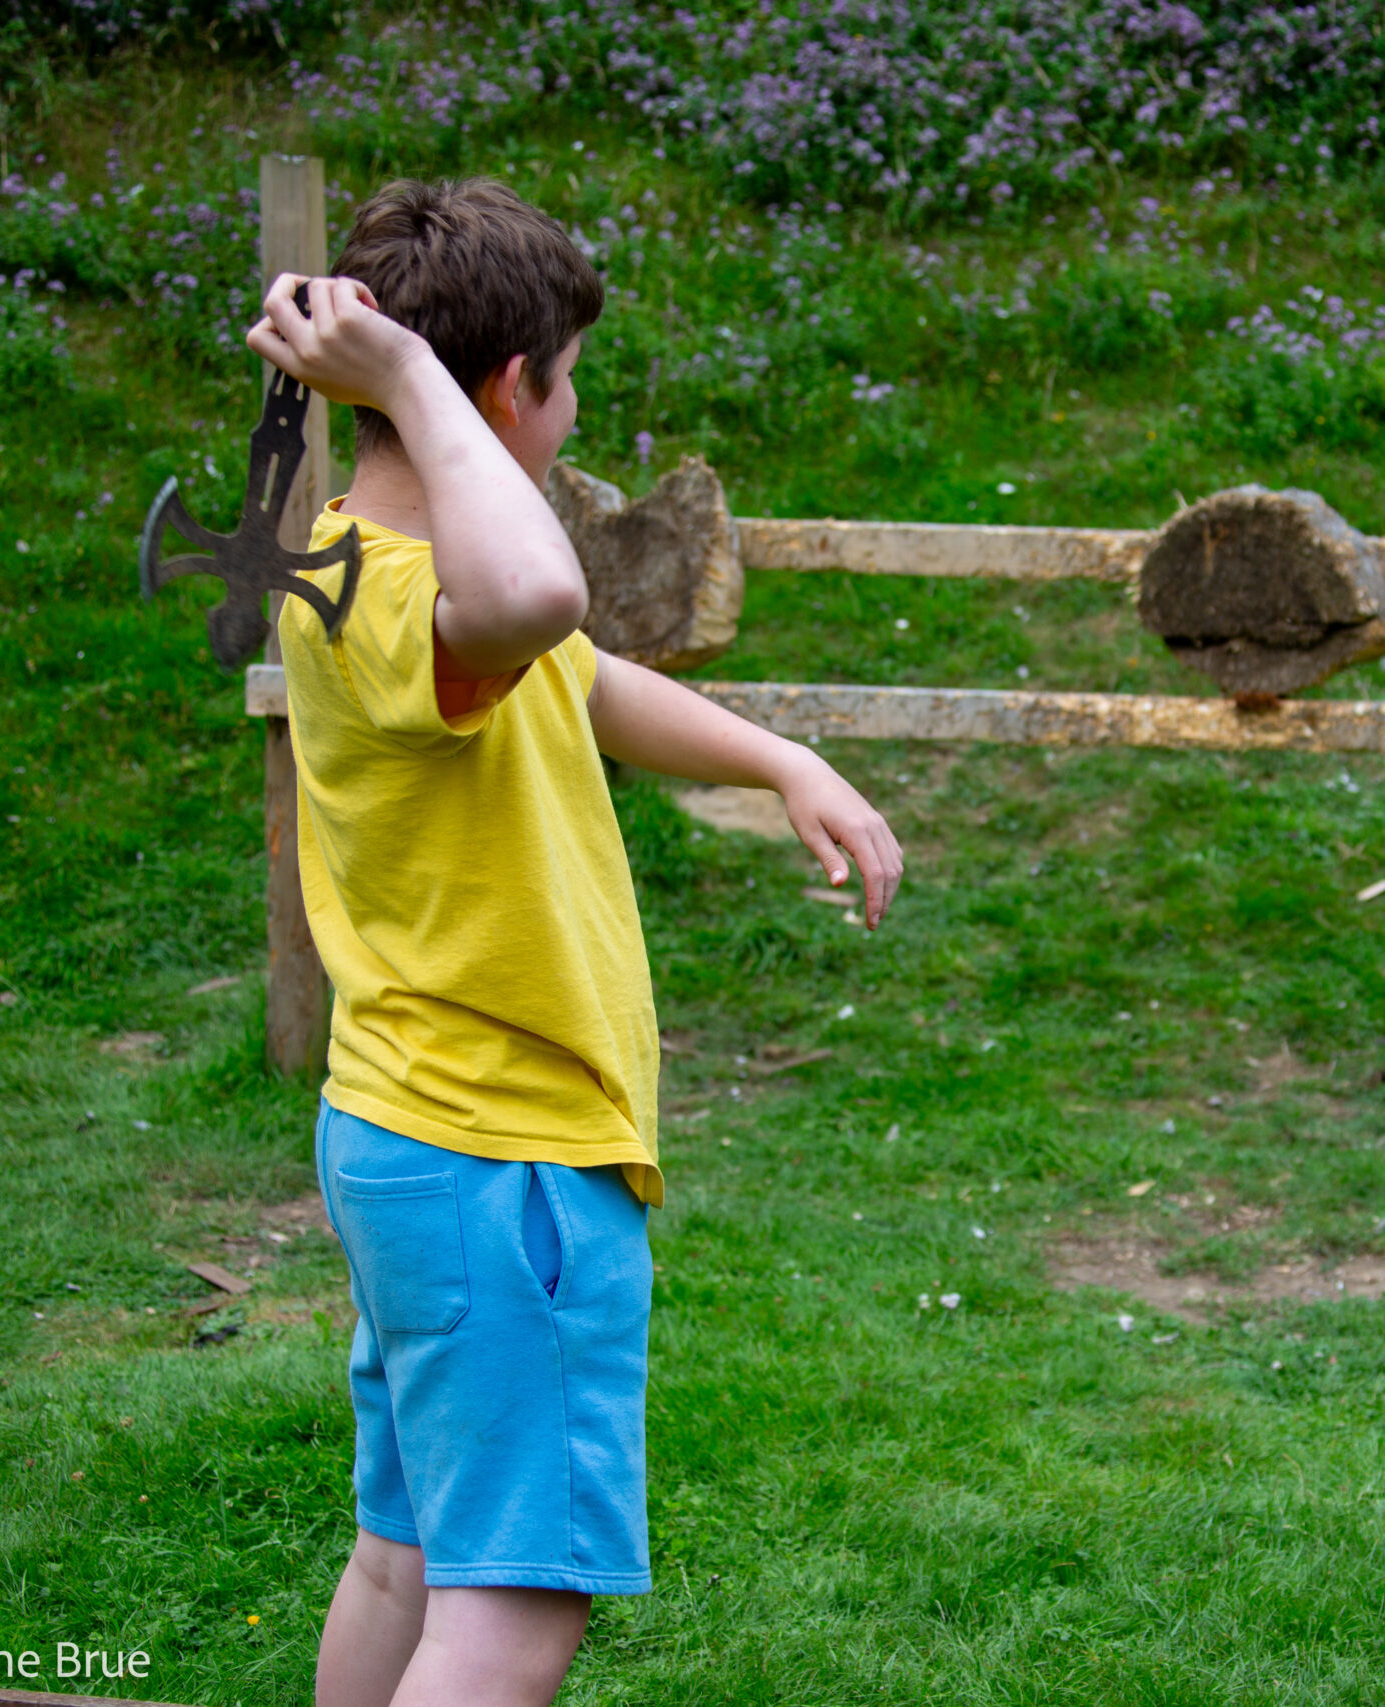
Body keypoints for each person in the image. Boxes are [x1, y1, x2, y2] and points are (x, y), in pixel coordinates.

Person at [243, 177, 903, 1707]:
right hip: (508, 1158)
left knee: (405, 1559)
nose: (577, 405)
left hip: (408, 1133)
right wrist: (411, 373)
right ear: (500, 393)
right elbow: (542, 598)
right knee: (513, 1609)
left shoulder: (359, 559)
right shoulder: (443, 603)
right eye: (566, 377)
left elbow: (577, 667)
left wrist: (777, 759)